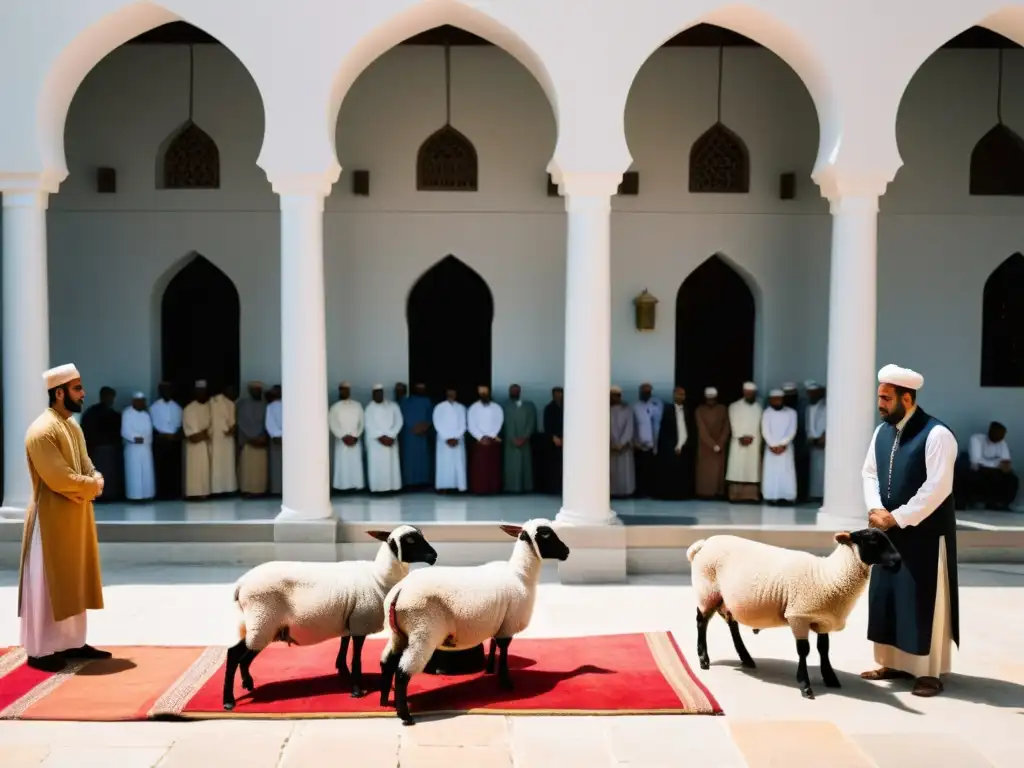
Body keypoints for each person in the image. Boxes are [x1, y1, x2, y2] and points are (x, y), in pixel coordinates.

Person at [860, 364, 959, 698]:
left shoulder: (937, 434)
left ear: (907, 397)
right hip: (889, 530)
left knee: (923, 600)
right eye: (879, 398)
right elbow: (869, 473)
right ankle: (891, 662)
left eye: (887, 398)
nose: (881, 404)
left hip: (925, 535)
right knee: (888, 597)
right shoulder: (881, 432)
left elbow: (938, 487)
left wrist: (898, 517)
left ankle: (928, 673)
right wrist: (876, 509)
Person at [19, 364, 112, 671]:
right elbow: (59, 478)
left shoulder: (71, 425)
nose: (83, 393)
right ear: (59, 393)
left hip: (76, 517)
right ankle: (41, 650)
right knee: (49, 584)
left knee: (74, 580)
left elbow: (85, 464)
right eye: (77, 388)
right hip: (50, 522)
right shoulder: (41, 430)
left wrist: (92, 477)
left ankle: (72, 642)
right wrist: (93, 484)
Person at [80, 386, 123, 502]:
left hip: (109, 449)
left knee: (109, 473)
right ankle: (99, 495)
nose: (111, 399)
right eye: (109, 396)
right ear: (102, 396)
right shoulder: (92, 413)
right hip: (97, 449)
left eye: (112, 397)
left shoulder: (113, 414)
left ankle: (107, 495)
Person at [962, 422, 1018, 510]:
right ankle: (975, 502)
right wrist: (997, 463)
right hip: (977, 469)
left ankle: (1001, 504)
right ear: (990, 431)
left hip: (994, 470)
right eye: (997, 434)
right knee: (982, 476)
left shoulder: (1002, 443)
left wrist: (998, 465)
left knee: (1012, 479)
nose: (1000, 437)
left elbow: (1006, 462)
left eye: (1002, 435)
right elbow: (976, 460)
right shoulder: (977, 439)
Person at [654, 386, 696, 500]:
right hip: (671, 447)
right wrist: (673, 446)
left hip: (685, 446)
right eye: (678, 394)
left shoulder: (688, 411)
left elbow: (691, 429)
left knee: (683, 472)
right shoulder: (667, 410)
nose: (680, 396)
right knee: (670, 472)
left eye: (682, 394)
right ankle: (669, 495)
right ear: (673, 395)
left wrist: (683, 445)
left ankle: (682, 495)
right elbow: (664, 431)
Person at [725, 382, 762, 503]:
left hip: (754, 442)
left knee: (752, 470)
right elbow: (733, 423)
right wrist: (740, 436)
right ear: (743, 392)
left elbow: (759, 425)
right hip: (738, 442)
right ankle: (735, 496)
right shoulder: (734, 406)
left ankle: (751, 496)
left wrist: (752, 438)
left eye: (751, 393)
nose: (749, 395)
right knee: (738, 468)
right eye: (747, 392)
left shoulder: (759, 408)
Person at [364, 385, 404, 493]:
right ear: (373, 394)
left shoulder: (393, 406)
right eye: (376, 393)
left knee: (391, 466)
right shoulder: (369, 408)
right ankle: (377, 489)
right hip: (376, 442)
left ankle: (392, 488)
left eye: (380, 392)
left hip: (391, 440)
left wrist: (391, 436)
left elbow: (399, 421)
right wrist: (381, 437)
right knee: (377, 466)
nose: (378, 395)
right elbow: (369, 425)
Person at [761, 389, 798, 505]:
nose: (777, 401)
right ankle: (771, 496)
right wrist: (772, 445)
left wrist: (783, 444)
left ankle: (787, 497)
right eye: (774, 399)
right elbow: (765, 430)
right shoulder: (767, 413)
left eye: (779, 399)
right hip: (771, 448)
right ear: (770, 400)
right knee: (771, 472)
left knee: (786, 472)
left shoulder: (792, 413)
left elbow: (792, 430)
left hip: (786, 448)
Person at [148, 381, 183, 500]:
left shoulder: (177, 407)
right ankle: (162, 494)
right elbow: (151, 425)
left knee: (174, 468)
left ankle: (174, 493)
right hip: (160, 441)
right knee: (161, 468)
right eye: (163, 390)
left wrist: (174, 436)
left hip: (174, 441)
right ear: (159, 392)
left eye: (168, 390)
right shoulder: (153, 407)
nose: (166, 392)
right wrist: (162, 435)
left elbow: (180, 424)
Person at [467, 385, 504, 494]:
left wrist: (490, 436)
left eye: (485, 392)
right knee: (480, 468)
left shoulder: (497, 408)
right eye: (481, 392)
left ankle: (493, 489)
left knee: (493, 468)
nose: (484, 394)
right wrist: (481, 437)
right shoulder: (473, 408)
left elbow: (499, 422)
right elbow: (471, 424)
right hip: (479, 441)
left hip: (493, 440)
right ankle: (479, 489)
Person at [329, 381, 365, 492]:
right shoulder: (335, 407)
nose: (344, 391)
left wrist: (356, 436)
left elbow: (361, 423)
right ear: (339, 391)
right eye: (342, 389)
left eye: (346, 389)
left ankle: (356, 486)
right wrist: (343, 436)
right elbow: (332, 423)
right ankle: (342, 487)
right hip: (342, 440)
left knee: (355, 463)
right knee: (342, 464)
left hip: (355, 439)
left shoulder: (357, 405)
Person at [695, 387, 730, 499]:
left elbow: (726, 428)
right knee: (705, 472)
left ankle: (718, 493)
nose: (711, 401)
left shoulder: (723, 409)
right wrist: (713, 445)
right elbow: (702, 430)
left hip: (720, 446)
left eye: (713, 399)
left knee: (718, 471)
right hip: (705, 447)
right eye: (709, 399)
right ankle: (704, 493)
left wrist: (720, 444)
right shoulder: (699, 410)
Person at [120, 392, 155, 501]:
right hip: (132, 449)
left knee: (146, 472)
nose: (142, 404)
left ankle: (147, 495)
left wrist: (144, 438)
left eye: (143, 402)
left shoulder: (146, 415)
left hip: (145, 448)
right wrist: (135, 438)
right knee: (134, 472)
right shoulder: (127, 413)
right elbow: (125, 430)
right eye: (139, 402)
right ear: (134, 402)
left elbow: (149, 430)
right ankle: (134, 496)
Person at [502, 383, 537, 493]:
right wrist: (512, 438)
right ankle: (511, 487)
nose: (514, 393)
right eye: (513, 391)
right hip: (509, 441)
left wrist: (525, 437)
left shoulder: (529, 406)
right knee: (511, 465)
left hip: (524, 440)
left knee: (525, 464)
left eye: (517, 391)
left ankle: (525, 487)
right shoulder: (504, 406)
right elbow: (503, 424)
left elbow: (532, 422)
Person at [236, 382, 268, 497]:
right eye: (254, 390)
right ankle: (247, 491)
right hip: (247, 442)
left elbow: (267, 423)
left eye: (259, 390)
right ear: (250, 391)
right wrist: (250, 438)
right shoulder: (242, 404)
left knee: (260, 468)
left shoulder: (265, 405)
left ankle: (260, 491)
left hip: (261, 442)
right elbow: (240, 422)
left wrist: (262, 437)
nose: (257, 392)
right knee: (247, 468)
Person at [398, 382, 433, 488]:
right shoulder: (405, 401)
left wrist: (424, 426)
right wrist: (412, 427)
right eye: (418, 388)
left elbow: (431, 416)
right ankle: (409, 483)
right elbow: (401, 416)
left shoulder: (427, 401)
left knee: (422, 458)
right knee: (409, 460)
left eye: (422, 388)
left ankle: (422, 482)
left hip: (422, 434)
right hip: (409, 435)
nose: (420, 390)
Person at [632, 383, 664, 498]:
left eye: (648, 392)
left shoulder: (655, 406)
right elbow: (633, 426)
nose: (646, 394)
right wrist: (635, 442)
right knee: (639, 470)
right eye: (644, 392)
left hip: (652, 444)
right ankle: (639, 492)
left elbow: (657, 425)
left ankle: (651, 492)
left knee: (651, 470)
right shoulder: (635, 407)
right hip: (639, 444)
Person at [433, 387, 468, 493]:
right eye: (449, 393)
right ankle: (444, 487)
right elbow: (437, 423)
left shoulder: (461, 407)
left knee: (458, 463)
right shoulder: (439, 407)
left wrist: (456, 437)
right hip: (444, 440)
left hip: (458, 439)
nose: (451, 395)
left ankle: (459, 487)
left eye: (453, 393)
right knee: (444, 464)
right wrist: (447, 437)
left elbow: (464, 424)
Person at [182, 380, 213, 499]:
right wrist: (204, 434)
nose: (202, 394)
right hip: (194, 449)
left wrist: (204, 434)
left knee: (205, 471)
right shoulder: (189, 409)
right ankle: (194, 494)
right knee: (195, 470)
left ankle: (205, 493)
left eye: (204, 391)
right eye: (199, 391)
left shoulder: (210, 407)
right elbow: (193, 436)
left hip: (208, 446)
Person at [783, 382, 809, 502]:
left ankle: (801, 495)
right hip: (783, 444)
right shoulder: (781, 407)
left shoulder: (803, 405)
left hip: (800, 442)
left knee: (800, 469)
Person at [209, 385, 238, 495]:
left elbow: (233, 421)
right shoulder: (213, 401)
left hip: (227, 438)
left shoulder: (231, 404)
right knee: (216, 463)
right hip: (215, 437)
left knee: (228, 463)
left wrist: (232, 429)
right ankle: (216, 490)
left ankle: (228, 489)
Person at [610, 386, 635, 498]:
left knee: (624, 472)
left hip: (624, 447)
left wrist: (621, 443)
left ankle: (625, 493)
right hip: (610, 446)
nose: (615, 398)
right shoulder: (604, 409)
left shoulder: (627, 409)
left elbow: (629, 428)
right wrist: (611, 443)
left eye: (617, 395)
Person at [805, 381, 827, 502]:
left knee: (823, 469)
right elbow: (808, 424)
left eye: (814, 393)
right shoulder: (809, 407)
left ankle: (823, 496)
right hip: (813, 442)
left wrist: (824, 436)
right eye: (810, 393)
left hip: (824, 442)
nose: (811, 395)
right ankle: (814, 495)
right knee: (814, 471)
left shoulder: (826, 406)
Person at [541, 386, 564, 495]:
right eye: (556, 394)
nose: (558, 396)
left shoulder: (568, 407)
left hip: (566, 440)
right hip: (552, 441)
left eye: (560, 394)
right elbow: (547, 425)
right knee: (553, 466)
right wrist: (554, 437)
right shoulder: (549, 408)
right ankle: (553, 488)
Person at [266, 385, 283, 495]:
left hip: (280, 439)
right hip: (277, 440)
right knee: (277, 466)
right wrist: (277, 435)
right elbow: (269, 423)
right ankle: (277, 490)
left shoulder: (292, 405)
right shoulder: (270, 407)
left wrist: (279, 435)